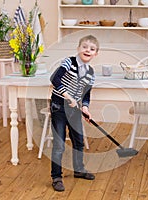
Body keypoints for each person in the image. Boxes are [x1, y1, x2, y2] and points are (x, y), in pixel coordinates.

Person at [49, 35, 99, 192]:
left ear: (96, 53)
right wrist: (69, 96)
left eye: (92, 49)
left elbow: (86, 94)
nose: (87, 50)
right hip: (59, 106)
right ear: (78, 49)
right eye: (84, 47)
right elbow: (54, 79)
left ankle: (79, 170)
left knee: (78, 141)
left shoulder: (91, 72)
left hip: (74, 109)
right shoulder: (69, 62)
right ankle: (56, 177)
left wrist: (85, 107)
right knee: (59, 144)